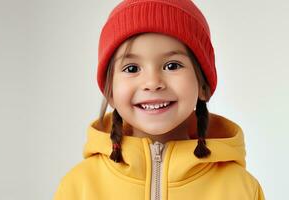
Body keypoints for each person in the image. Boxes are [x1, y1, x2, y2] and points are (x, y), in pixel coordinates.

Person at [53, 0, 265, 199]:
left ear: (203, 84)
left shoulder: (240, 188)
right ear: (110, 93)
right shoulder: (79, 186)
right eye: (132, 68)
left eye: (172, 65)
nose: (152, 82)